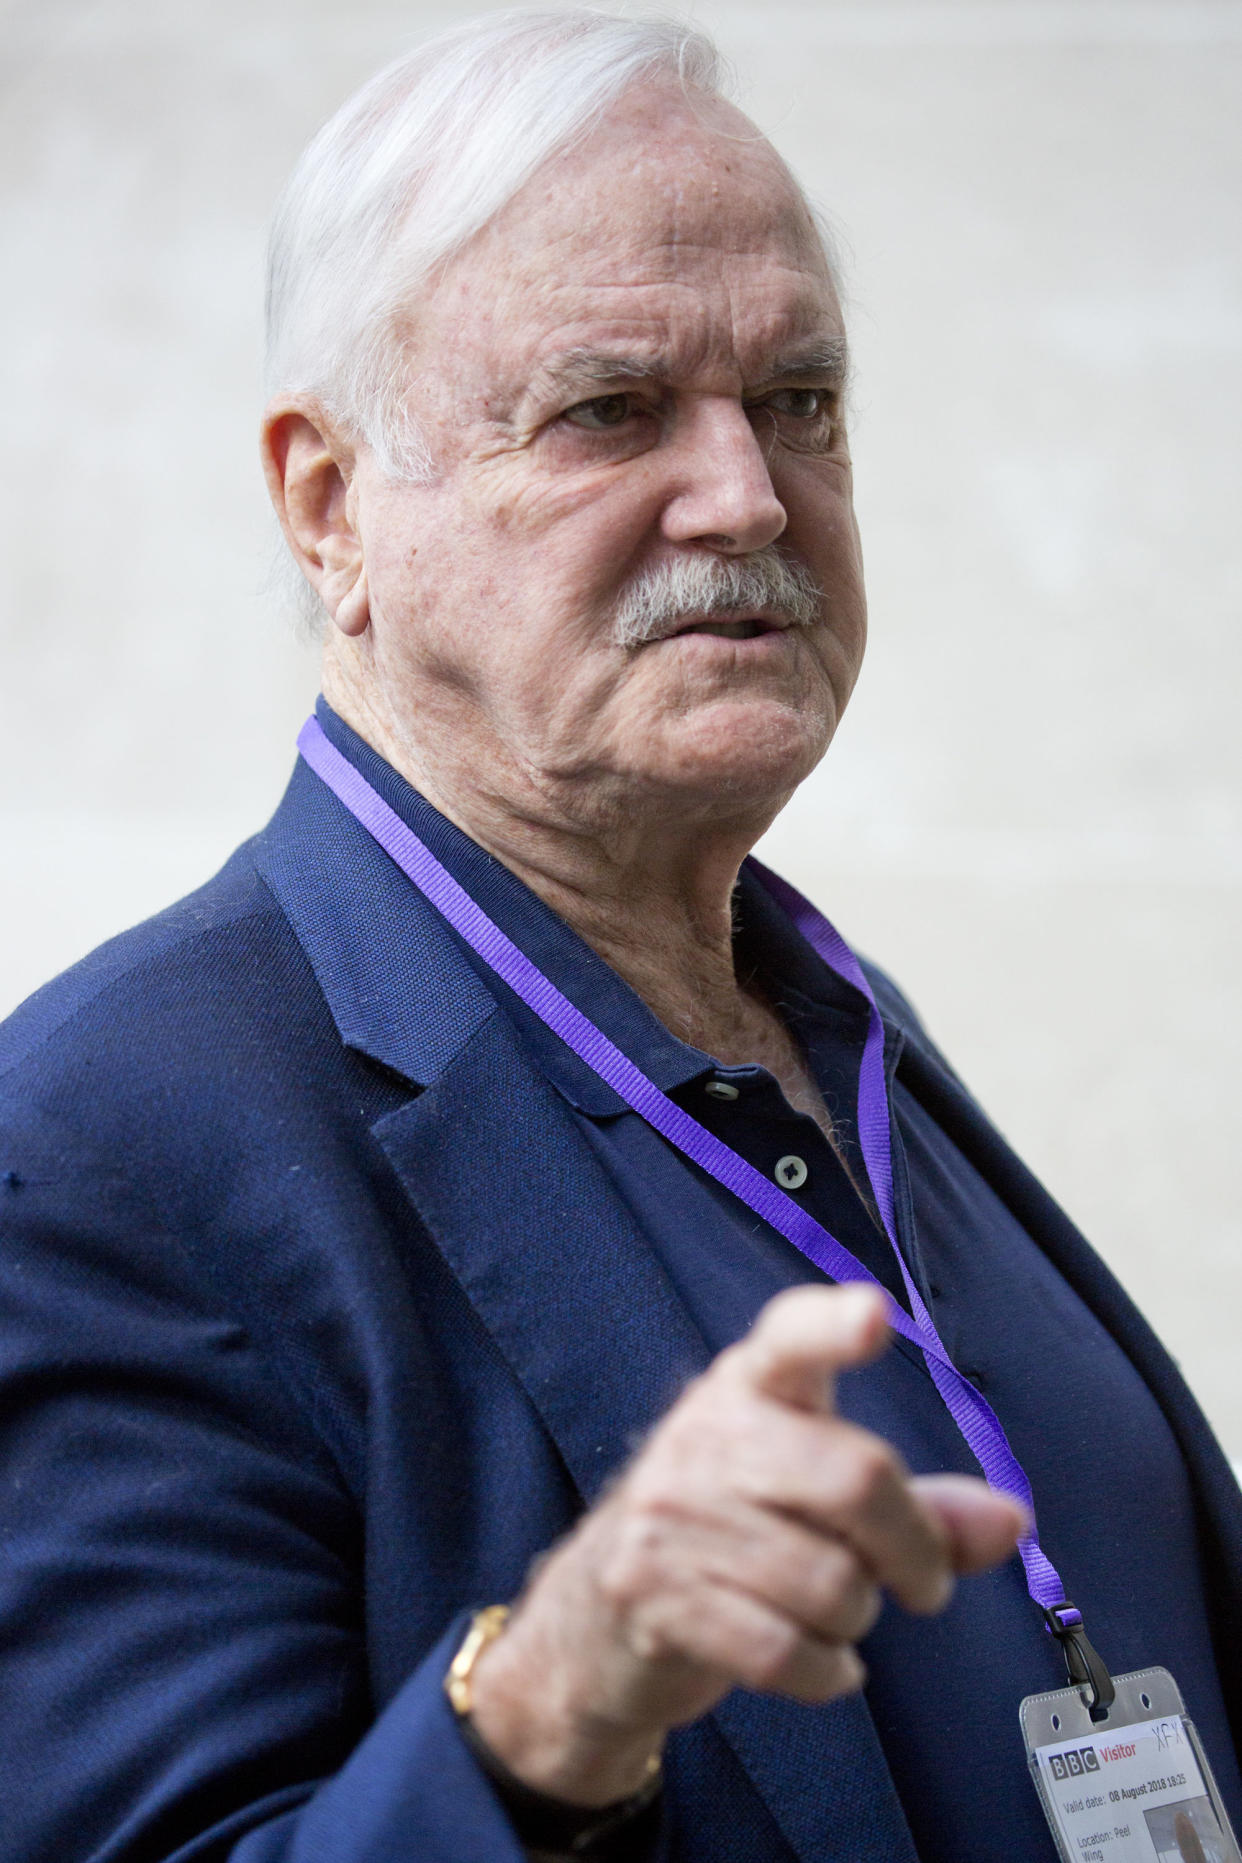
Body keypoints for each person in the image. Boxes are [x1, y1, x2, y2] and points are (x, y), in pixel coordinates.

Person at [0, 12, 1238, 1862]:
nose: (746, 495)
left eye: (797, 401)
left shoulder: (827, 1019)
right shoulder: (96, 1145)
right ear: (330, 508)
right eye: (609, 409)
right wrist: (551, 1698)